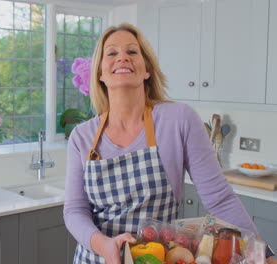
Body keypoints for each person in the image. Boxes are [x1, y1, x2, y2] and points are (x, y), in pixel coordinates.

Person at [63, 23, 275, 264]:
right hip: (95, 257)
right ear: (100, 73)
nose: (122, 57)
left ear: (147, 70)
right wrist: (104, 246)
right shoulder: (82, 136)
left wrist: (262, 253)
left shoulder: (179, 119)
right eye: (111, 53)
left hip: (159, 258)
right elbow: (75, 210)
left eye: (132, 52)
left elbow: (220, 199)